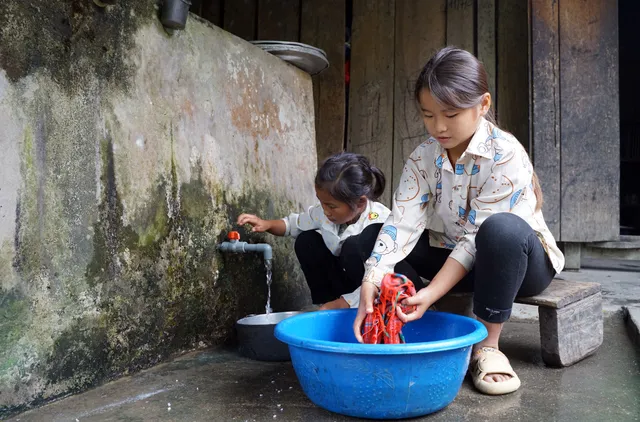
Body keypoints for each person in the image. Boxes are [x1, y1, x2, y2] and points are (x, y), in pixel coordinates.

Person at [347, 47, 565, 395]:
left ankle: (488, 346)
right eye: (428, 115)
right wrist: (371, 280)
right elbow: (401, 223)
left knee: (500, 230)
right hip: (452, 255)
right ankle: (406, 317)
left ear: (483, 104)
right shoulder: (423, 157)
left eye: (451, 113)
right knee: (369, 238)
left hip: (516, 263)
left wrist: (432, 291)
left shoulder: (504, 153)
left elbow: (475, 239)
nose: (439, 126)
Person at [237, 152, 424, 309]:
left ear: (360, 203)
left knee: (352, 247)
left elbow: (383, 275)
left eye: (332, 206)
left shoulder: (382, 222)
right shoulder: (323, 214)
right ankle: (325, 306)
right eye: (321, 203)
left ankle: (343, 306)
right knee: (307, 240)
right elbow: (294, 224)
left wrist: (344, 302)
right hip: (346, 281)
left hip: (379, 287)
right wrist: (267, 224)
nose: (325, 211)